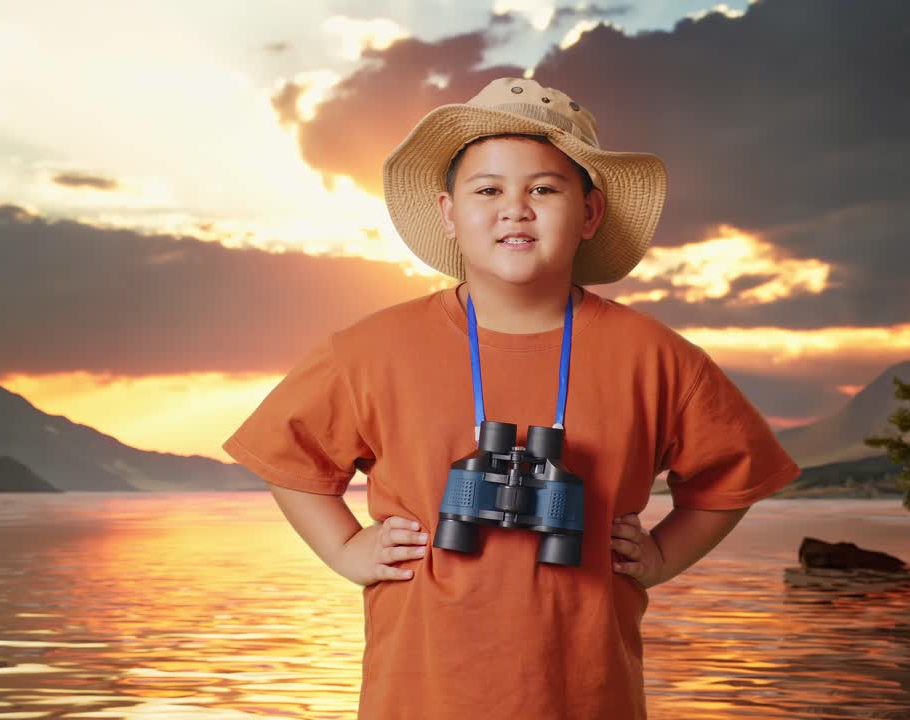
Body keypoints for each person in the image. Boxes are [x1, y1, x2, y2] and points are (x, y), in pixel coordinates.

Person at [222, 77, 801, 719]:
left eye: (545, 190)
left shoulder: (656, 357)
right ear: (449, 213)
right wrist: (345, 548)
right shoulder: (371, 349)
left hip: (584, 693)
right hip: (422, 693)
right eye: (488, 189)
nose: (515, 208)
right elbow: (287, 456)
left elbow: (735, 473)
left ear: (590, 214)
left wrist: (662, 555)